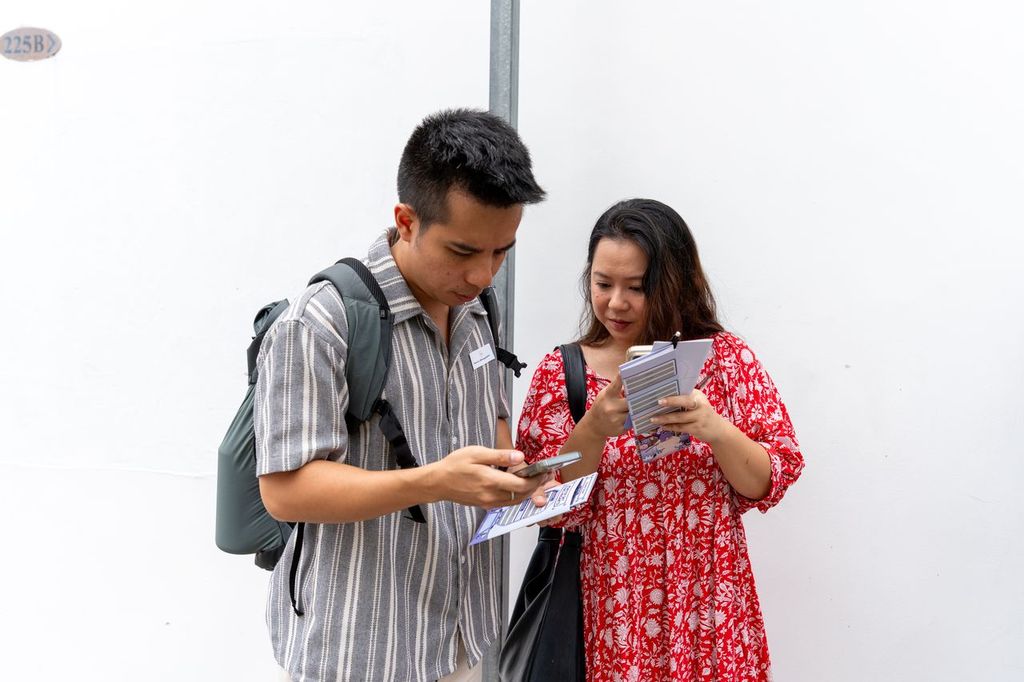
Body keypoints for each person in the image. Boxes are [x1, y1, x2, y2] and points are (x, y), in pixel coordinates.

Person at [254, 109, 549, 682]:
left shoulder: (478, 309)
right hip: (361, 650)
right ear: (406, 221)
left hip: (462, 637)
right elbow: (285, 491)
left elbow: (488, 421)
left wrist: (515, 476)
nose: (484, 274)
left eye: (502, 252)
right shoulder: (324, 321)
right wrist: (435, 481)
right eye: (463, 251)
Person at [515, 198, 805, 681]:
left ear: (675, 282)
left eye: (637, 287)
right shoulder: (561, 373)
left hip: (712, 603)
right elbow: (544, 504)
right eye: (603, 284)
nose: (616, 303)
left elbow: (768, 480)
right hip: (615, 608)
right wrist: (593, 428)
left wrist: (715, 429)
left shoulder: (725, 360)